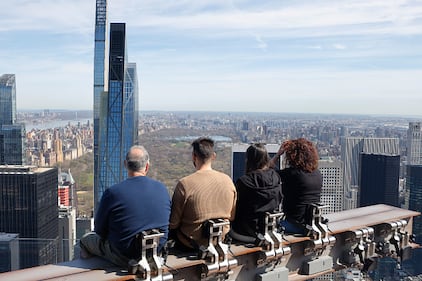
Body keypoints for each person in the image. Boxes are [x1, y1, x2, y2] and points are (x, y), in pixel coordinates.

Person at [80, 145, 171, 267]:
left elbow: (99, 230)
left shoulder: (113, 193)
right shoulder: (162, 189)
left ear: (125, 164)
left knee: (85, 240)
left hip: (124, 255)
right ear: (147, 166)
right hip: (156, 252)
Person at [169, 137, 237, 250]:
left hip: (190, 242)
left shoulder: (184, 184)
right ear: (213, 156)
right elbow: (232, 216)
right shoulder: (228, 181)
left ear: (194, 156)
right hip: (220, 239)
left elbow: (173, 223)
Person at [231, 143, 283, 242]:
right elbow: (268, 168)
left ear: (248, 160)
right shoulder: (275, 177)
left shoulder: (244, 182)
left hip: (246, 232)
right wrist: (277, 156)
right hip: (270, 230)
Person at [269, 138, 322, 235]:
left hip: (294, 225)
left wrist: (277, 155)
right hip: (312, 223)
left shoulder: (292, 174)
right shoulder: (317, 173)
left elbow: (267, 172)